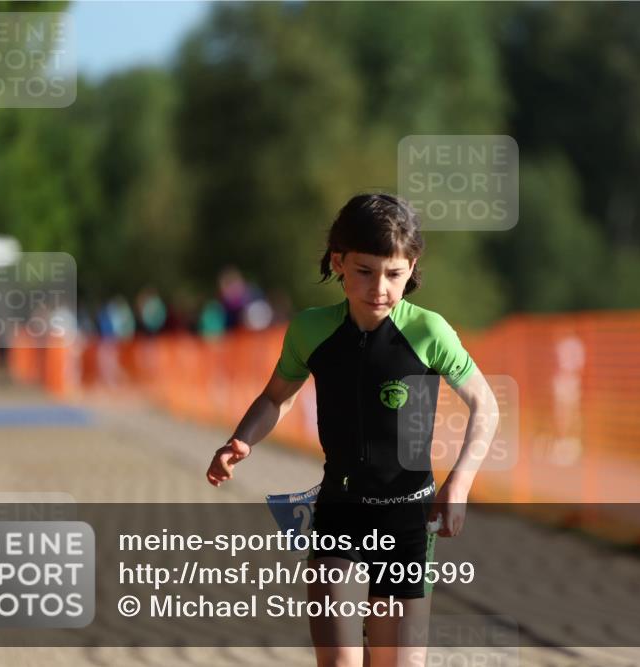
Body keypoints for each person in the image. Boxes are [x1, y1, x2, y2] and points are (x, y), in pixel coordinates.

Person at [205, 193, 500, 667]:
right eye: (364, 271)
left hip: (407, 520)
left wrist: (460, 483)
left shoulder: (429, 332)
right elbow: (275, 397)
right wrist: (241, 439)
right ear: (338, 262)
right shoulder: (310, 330)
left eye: (393, 273)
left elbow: (485, 405)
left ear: (412, 265)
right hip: (339, 514)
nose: (379, 287)